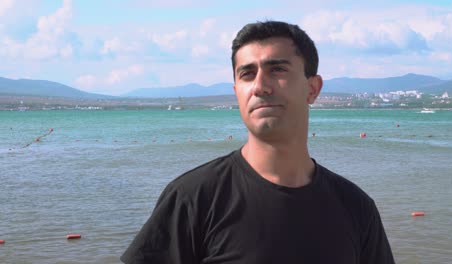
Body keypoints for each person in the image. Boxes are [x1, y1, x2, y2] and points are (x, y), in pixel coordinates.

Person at [121, 20, 395, 264]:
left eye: (277, 69)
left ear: (312, 88)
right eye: (247, 74)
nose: (260, 86)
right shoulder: (194, 198)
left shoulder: (355, 207)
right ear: (236, 92)